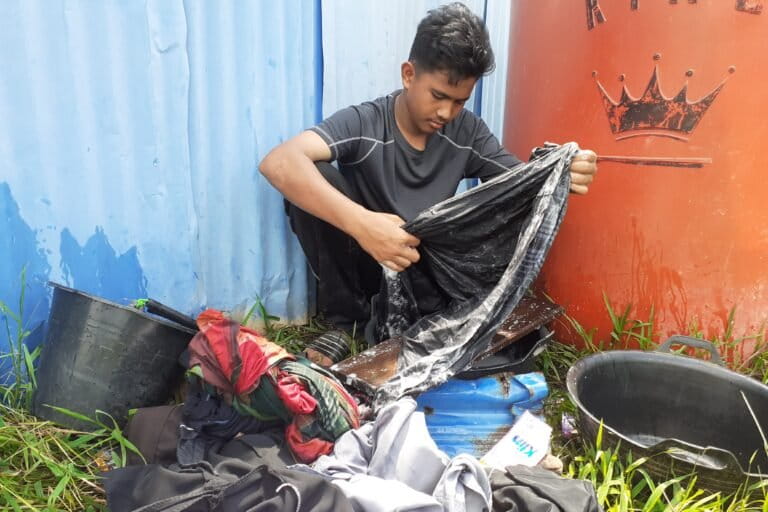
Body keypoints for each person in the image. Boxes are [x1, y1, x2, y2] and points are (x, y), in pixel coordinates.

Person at [259, 2, 597, 361]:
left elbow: (520, 186)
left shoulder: (466, 133)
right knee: (314, 179)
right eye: (438, 96)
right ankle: (348, 322)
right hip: (366, 264)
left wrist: (559, 169)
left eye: (459, 102)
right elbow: (279, 162)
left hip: (422, 276)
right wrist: (364, 225)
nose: (446, 113)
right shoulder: (366, 123)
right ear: (409, 74)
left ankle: (427, 322)